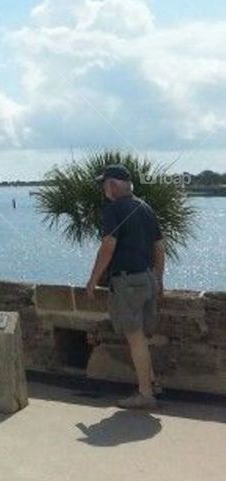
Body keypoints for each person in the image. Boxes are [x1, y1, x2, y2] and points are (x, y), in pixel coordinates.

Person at [85, 164, 165, 409]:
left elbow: (108, 247)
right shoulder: (145, 207)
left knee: (135, 338)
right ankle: (152, 382)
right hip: (147, 278)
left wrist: (93, 280)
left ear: (113, 185)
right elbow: (159, 247)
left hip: (127, 281)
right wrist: (159, 279)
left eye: (104, 184)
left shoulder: (115, 210)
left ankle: (145, 394)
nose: (103, 189)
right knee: (141, 335)